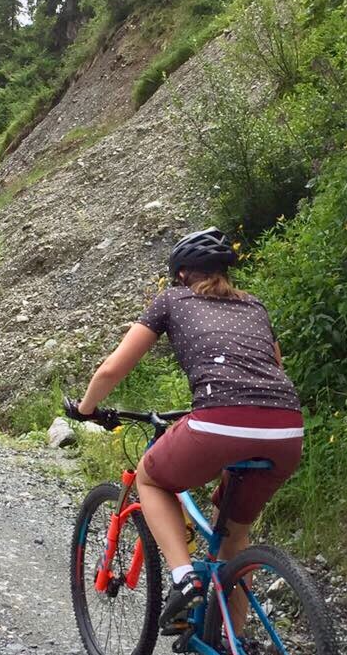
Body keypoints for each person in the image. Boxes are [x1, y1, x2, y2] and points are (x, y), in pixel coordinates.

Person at [69, 227, 303, 632]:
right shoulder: (255, 306)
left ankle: (184, 578)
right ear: (224, 272)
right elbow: (274, 371)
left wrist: (86, 409)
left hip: (218, 419)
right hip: (286, 429)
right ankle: (235, 640)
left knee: (152, 478)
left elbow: (112, 369)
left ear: (180, 274)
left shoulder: (172, 300)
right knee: (233, 535)